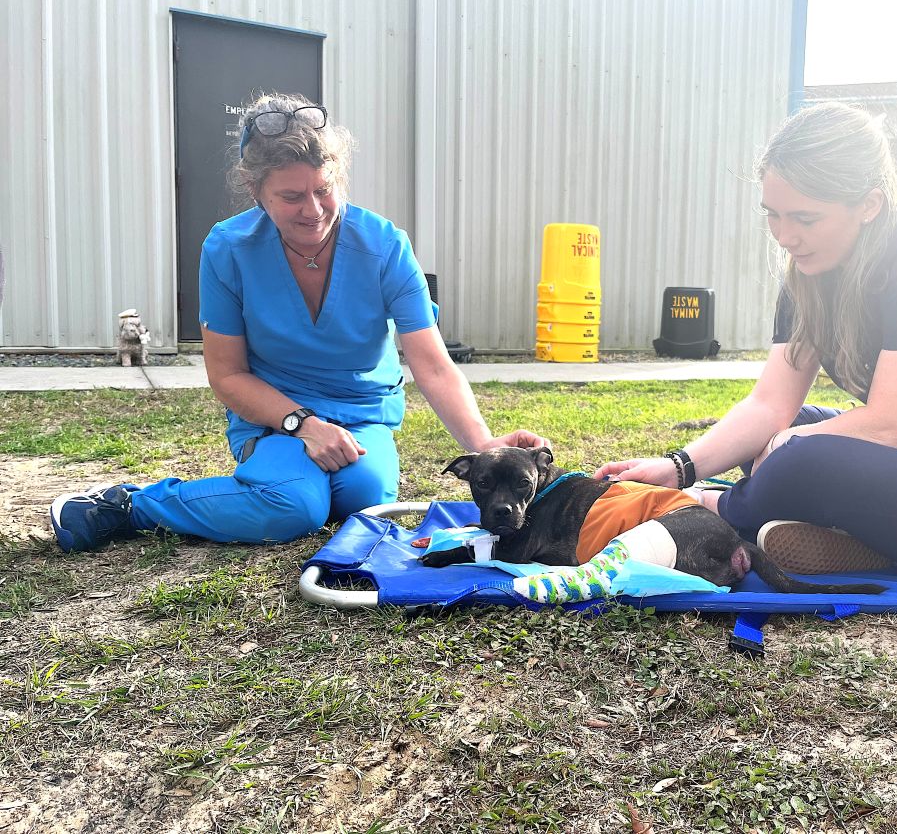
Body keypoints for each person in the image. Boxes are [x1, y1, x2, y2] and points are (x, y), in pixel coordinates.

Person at [596, 101, 897, 581]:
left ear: (870, 205)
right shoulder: (811, 271)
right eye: (772, 214)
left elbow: (890, 427)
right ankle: (866, 541)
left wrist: (703, 495)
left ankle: (721, 510)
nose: (784, 235)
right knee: (776, 439)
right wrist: (680, 467)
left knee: (798, 456)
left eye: (805, 218)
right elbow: (771, 404)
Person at [51, 94, 547, 551]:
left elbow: (433, 366)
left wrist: (484, 446)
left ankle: (277, 485)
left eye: (323, 190)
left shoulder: (385, 246)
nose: (313, 212)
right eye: (291, 197)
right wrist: (303, 424)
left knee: (365, 498)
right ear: (255, 190)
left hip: (360, 414)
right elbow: (227, 375)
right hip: (275, 419)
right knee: (295, 508)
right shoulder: (227, 249)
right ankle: (130, 505)